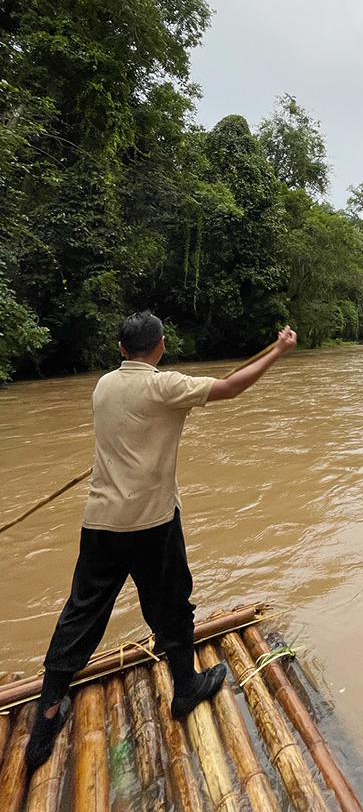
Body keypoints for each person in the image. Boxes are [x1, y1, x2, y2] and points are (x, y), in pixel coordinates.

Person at [25, 310, 297, 772]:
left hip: (101, 523)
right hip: (151, 523)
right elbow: (231, 388)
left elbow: (129, 430)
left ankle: (46, 717)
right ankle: (185, 689)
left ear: (119, 350)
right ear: (162, 345)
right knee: (172, 606)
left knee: (81, 613)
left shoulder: (102, 386)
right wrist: (278, 350)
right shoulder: (165, 386)